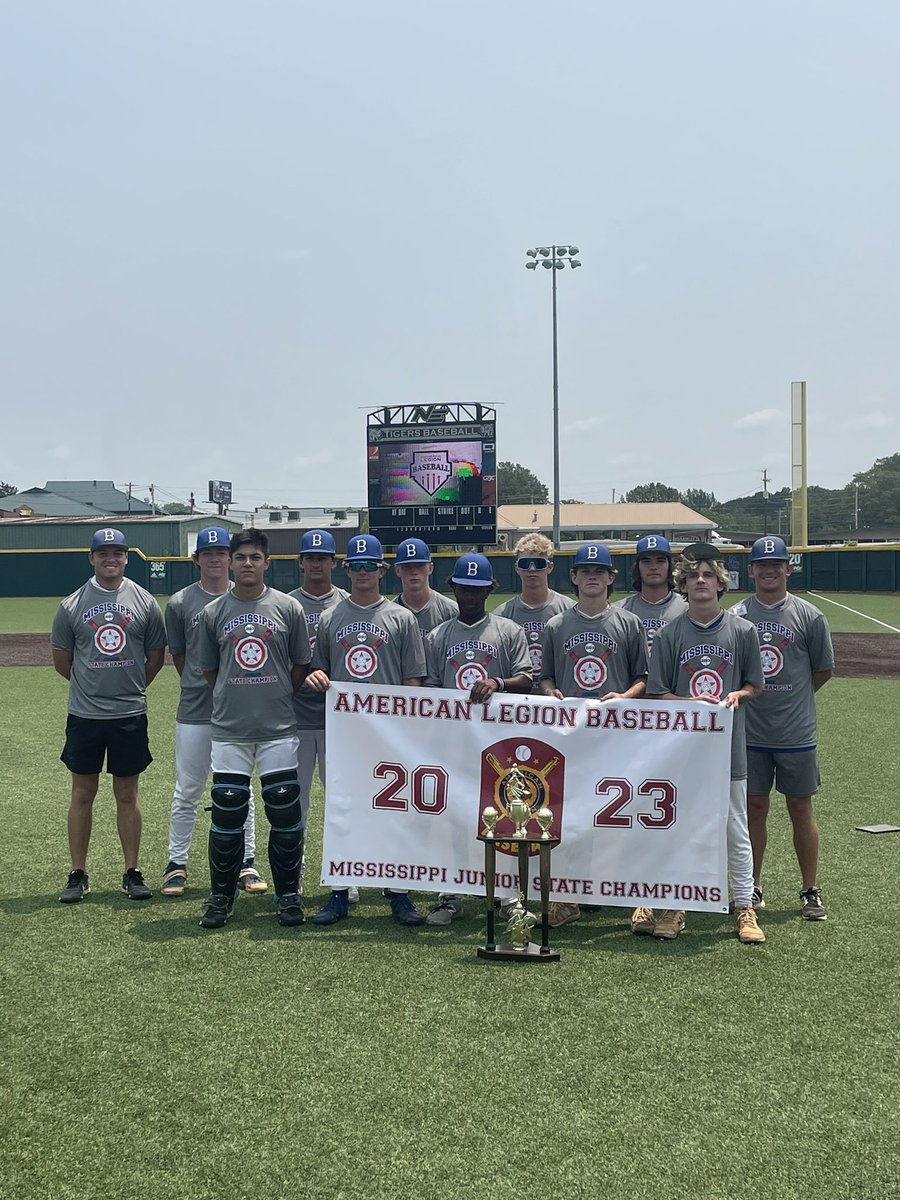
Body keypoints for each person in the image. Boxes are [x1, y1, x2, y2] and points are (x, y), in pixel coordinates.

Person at [305, 534, 427, 927]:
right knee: (344, 809)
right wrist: (317, 676)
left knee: (395, 811)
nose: (362, 573)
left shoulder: (401, 617)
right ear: (346, 570)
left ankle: (399, 892)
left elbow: (413, 679)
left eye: (368, 566)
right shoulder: (330, 618)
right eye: (355, 566)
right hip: (346, 732)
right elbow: (318, 669)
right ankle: (340, 891)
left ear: (381, 569)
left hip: (389, 733)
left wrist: (405, 729)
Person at [646, 543, 765, 944]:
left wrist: (739, 696)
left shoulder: (743, 630)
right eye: (693, 575)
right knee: (678, 826)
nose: (700, 580)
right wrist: (690, 703)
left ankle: (744, 905)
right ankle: (675, 904)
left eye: (708, 574)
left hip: (728, 747)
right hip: (682, 752)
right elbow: (658, 692)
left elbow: (754, 684)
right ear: (681, 584)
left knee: (734, 826)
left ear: (720, 583)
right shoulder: (669, 634)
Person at [196, 529, 311, 929]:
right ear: (230, 562)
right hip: (231, 730)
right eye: (240, 556)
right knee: (227, 814)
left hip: (278, 727)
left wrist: (277, 693)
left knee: (284, 812)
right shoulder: (213, 613)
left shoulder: (288, 608)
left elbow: (299, 665)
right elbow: (210, 670)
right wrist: (236, 696)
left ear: (267, 563)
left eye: (255, 557)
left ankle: (288, 896)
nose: (247, 563)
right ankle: (220, 898)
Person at [51, 527, 167, 903]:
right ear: (92, 558)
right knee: (83, 793)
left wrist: (128, 687)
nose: (110, 559)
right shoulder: (71, 605)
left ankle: (131, 871)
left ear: (126, 557)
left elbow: (154, 659)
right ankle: (78, 873)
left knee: (127, 794)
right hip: (85, 715)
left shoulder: (145, 601)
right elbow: (62, 662)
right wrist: (94, 686)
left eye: (117, 553)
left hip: (129, 713)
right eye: (103, 553)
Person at [540, 543, 650, 927]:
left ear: (610, 578)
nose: (591, 575)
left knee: (620, 815)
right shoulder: (556, 625)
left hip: (615, 736)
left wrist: (625, 696)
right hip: (571, 737)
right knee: (569, 816)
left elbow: (643, 679)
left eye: (599, 570)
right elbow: (546, 676)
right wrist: (549, 692)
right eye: (584, 570)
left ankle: (632, 894)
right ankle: (567, 898)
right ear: (572, 577)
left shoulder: (628, 623)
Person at [422, 552, 533, 926]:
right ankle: (449, 894)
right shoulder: (439, 635)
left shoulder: (507, 630)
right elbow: (432, 692)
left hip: (499, 744)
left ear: (490, 590)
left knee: (503, 814)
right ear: (453, 587)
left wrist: (497, 682)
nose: (470, 595)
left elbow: (526, 679)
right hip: (455, 742)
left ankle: (505, 893)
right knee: (453, 817)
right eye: (464, 588)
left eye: (478, 589)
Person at [160, 526, 267, 898]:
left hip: (238, 710)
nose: (215, 559)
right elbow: (181, 656)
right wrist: (206, 685)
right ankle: (176, 864)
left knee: (241, 790)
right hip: (195, 708)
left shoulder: (247, 599)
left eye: (222, 552)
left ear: (231, 558)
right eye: (208, 553)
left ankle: (246, 860)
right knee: (188, 789)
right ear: (197, 560)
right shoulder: (180, 602)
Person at [733, 536, 834, 920]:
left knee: (800, 808)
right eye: (762, 564)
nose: (770, 569)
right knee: (753, 809)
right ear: (752, 570)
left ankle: (810, 889)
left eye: (777, 563)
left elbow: (822, 670)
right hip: (750, 733)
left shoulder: (809, 615)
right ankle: (752, 886)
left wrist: (792, 700)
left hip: (795, 733)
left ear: (788, 568)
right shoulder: (738, 615)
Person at [617, 534, 687, 935]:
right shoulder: (622, 609)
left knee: (671, 812)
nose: (653, 566)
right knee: (632, 811)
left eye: (660, 559)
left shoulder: (685, 606)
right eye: (646, 560)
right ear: (637, 566)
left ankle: (674, 895)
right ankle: (636, 893)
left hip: (677, 726)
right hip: (631, 725)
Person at [287, 529, 352, 897]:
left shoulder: (346, 603)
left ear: (333, 563)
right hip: (294, 719)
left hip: (339, 724)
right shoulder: (284, 603)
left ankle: (346, 879)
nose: (316, 563)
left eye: (322, 558)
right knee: (295, 806)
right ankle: (292, 876)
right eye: (310, 557)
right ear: (300, 562)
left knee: (342, 803)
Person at [494, 533, 573, 692]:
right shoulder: (501, 614)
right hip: (516, 701)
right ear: (517, 568)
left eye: (538, 563)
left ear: (550, 567)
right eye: (525, 563)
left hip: (558, 700)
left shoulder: (569, 610)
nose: (531, 569)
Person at [393, 537, 458, 633]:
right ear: (397, 570)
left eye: (419, 566)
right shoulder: (389, 613)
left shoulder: (451, 611)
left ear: (430, 568)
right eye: (407, 567)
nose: (414, 572)